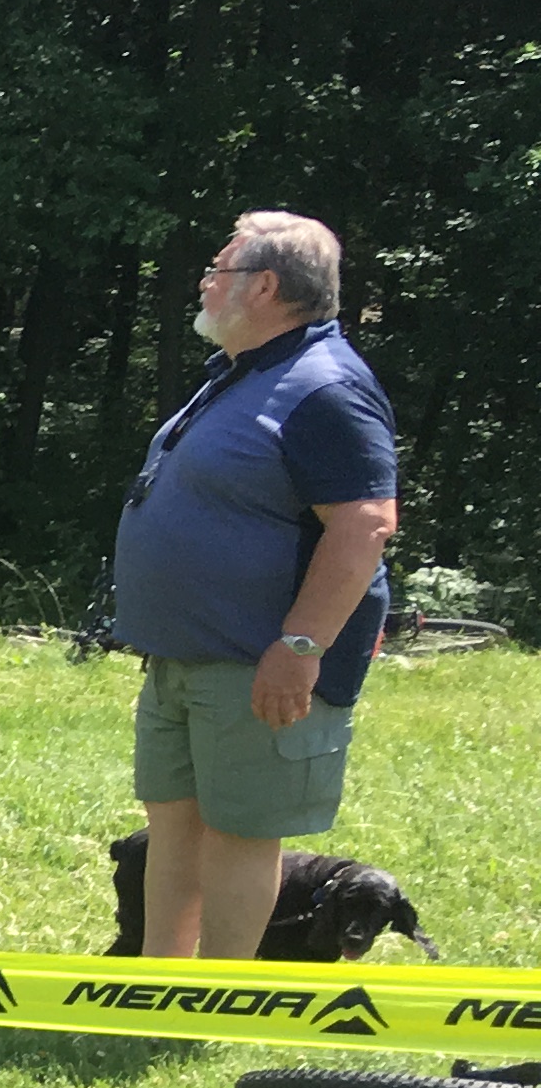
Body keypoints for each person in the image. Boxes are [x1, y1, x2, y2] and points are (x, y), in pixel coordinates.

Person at [111, 210, 398, 959]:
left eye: (219, 269)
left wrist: (300, 646)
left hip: (259, 662)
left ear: (265, 286)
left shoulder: (325, 387)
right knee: (174, 827)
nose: (205, 283)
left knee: (240, 835)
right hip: (185, 659)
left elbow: (365, 524)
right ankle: (160, 987)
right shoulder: (245, 374)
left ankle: (223, 1000)